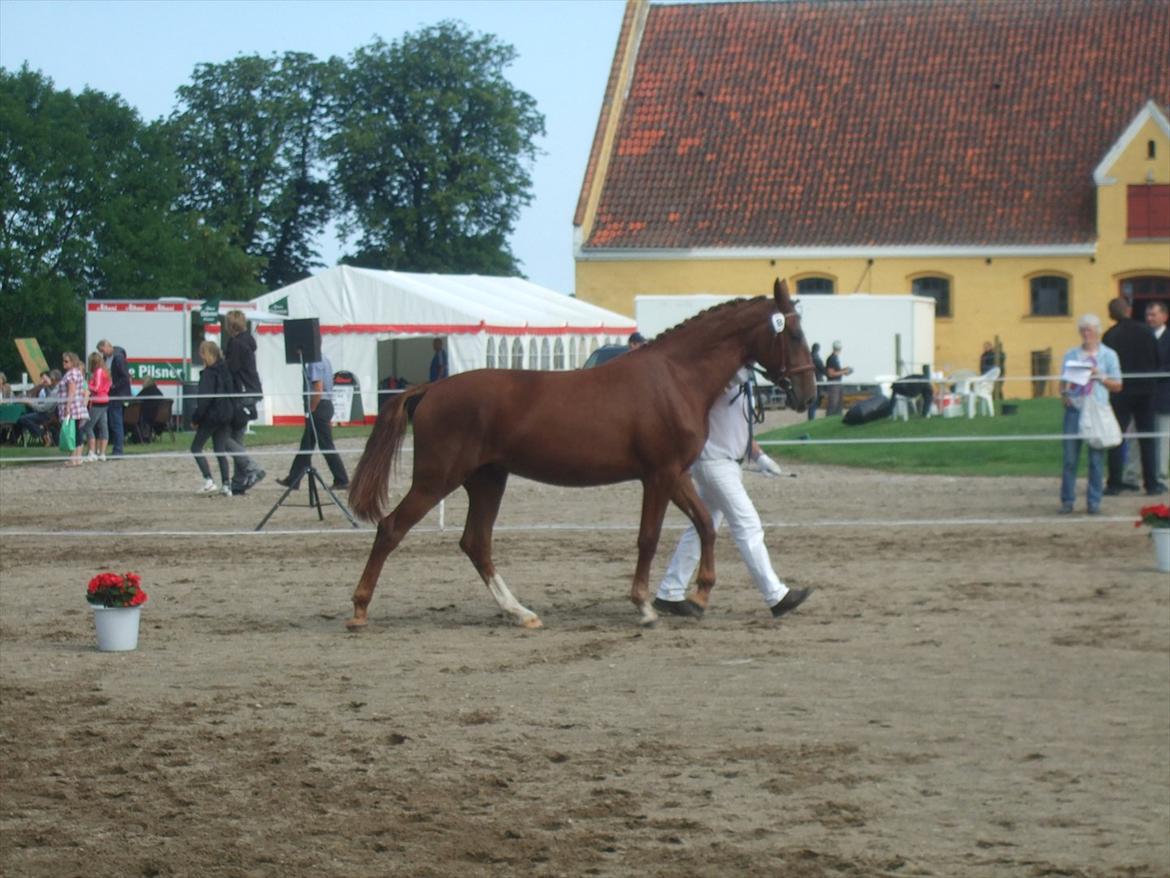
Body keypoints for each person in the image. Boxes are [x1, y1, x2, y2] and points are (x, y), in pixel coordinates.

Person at [652, 367, 812, 620]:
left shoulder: (742, 383)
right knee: (748, 526)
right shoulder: (717, 379)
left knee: (700, 529)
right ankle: (776, 595)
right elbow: (719, 384)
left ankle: (669, 591)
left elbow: (742, 431)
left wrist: (761, 458)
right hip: (716, 464)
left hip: (726, 464)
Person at [1059, 314, 1122, 514]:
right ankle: (1067, 501)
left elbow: (1118, 385)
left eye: (1090, 330)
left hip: (1097, 408)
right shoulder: (1071, 355)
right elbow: (1062, 383)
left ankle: (1094, 502)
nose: (1087, 334)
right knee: (1070, 458)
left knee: (1096, 459)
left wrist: (1100, 377)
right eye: (1083, 330)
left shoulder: (1109, 355)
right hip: (1075, 408)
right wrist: (1065, 393)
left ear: (1098, 332)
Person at [1101, 297, 1159, 496]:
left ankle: (1114, 483)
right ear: (1129, 310)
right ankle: (1151, 483)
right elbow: (1157, 359)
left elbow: (1106, 366)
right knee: (1147, 438)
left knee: (1117, 437)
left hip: (1120, 392)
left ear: (1111, 315)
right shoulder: (1146, 332)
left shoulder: (1109, 336)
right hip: (1145, 391)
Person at [276, 352, 350, 491]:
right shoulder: (325, 358)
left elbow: (318, 388)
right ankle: (293, 479)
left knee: (325, 445)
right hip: (325, 405)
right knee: (307, 445)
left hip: (319, 406)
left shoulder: (315, 362)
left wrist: (311, 409)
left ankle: (342, 479)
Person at [223, 310, 265, 494]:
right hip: (253, 390)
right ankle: (239, 482)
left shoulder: (236, 344)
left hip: (242, 393)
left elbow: (231, 369)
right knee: (238, 437)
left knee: (224, 437)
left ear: (230, 325)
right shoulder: (248, 341)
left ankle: (251, 467)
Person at [189, 340, 234, 496]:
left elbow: (204, 400)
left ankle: (209, 480)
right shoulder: (225, 370)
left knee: (196, 447)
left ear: (205, 354)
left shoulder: (208, 374)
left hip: (212, 416)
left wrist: (195, 419)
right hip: (225, 415)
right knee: (220, 450)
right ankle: (226, 485)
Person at [1147, 300, 1170, 489]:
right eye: (1148, 315)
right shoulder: (1143, 337)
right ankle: (1133, 475)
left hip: (1164, 395)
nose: (1149, 318)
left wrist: (1152, 374)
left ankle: (1161, 475)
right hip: (1143, 396)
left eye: (1153, 315)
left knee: (1162, 437)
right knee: (1138, 436)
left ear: (1164, 316)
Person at [97, 339, 131, 457]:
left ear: (107, 346)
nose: (103, 354)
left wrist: (114, 385)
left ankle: (118, 449)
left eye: (103, 351)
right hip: (111, 394)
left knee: (116, 422)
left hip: (118, 394)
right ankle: (116, 448)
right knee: (113, 421)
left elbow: (125, 377)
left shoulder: (118, 358)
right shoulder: (108, 359)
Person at [56, 352, 89, 467]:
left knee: (73, 433)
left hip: (74, 408)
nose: (64, 363)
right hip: (78, 407)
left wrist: (68, 407)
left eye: (66, 361)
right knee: (77, 433)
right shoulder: (77, 373)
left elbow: (71, 391)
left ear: (73, 362)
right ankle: (77, 459)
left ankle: (74, 459)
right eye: (63, 361)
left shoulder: (71, 374)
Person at [15, 370, 59, 446]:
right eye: (41, 379)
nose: (42, 381)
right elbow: (30, 394)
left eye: (44, 379)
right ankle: (14, 440)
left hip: (48, 415)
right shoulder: (43, 388)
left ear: (51, 379)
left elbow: (43, 408)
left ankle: (43, 435)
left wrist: (30, 403)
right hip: (41, 412)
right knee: (20, 418)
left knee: (23, 419)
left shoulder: (54, 391)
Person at [84, 351, 111, 462]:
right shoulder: (105, 371)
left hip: (98, 400)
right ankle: (102, 453)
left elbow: (97, 387)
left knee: (88, 426)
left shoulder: (98, 372)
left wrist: (87, 385)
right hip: (105, 400)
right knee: (102, 426)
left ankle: (92, 451)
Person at [824, 341, 853, 416]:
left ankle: (837, 419)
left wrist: (844, 370)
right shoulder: (831, 358)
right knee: (833, 403)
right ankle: (828, 419)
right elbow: (831, 374)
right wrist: (843, 372)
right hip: (833, 384)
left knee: (839, 404)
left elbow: (836, 371)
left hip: (838, 383)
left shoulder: (836, 358)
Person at [135, 377, 165, 442]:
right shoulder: (158, 391)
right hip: (159, 417)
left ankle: (140, 437)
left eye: (143, 382)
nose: (142, 384)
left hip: (147, 417)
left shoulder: (146, 391)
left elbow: (136, 400)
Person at [807, 342, 827, 421]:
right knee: (816, 401)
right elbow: (822, 368)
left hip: (812, 381)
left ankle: (811, 417)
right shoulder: (816, 357)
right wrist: (827, 372)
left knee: (813, 401)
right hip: (818, 381)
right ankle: (812, 418)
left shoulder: (809, 356)